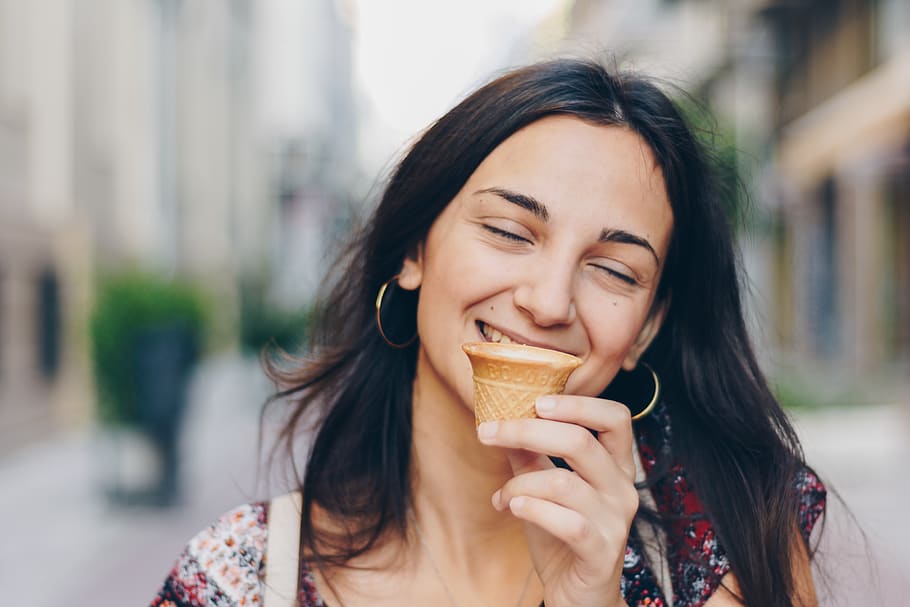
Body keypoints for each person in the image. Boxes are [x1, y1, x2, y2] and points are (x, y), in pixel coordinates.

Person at [150, 58, 826, 607]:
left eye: (615, 270)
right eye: (509, 231)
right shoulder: (237, 578)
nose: (549, 300)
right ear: (414, 246)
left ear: (647, 325)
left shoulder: (732, 534)